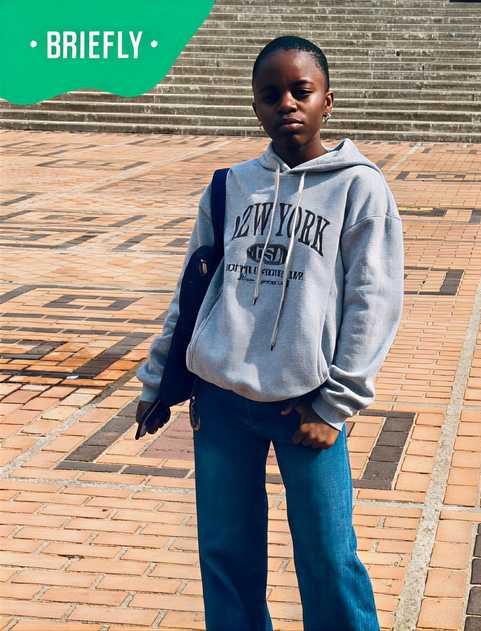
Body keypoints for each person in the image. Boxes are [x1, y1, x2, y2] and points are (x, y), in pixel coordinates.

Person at [136, 35, 403, 631]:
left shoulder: (360, 188)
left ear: (326, 101)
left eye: (300, 91)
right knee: (227, 558)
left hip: (305, 406)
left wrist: (335, 405)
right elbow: (193, 292)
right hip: (222, 402)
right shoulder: (229, 187)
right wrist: (156, 382)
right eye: (270, 94)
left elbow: (374, 303)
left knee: (329, 561)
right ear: (255, 107)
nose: (287, 102)